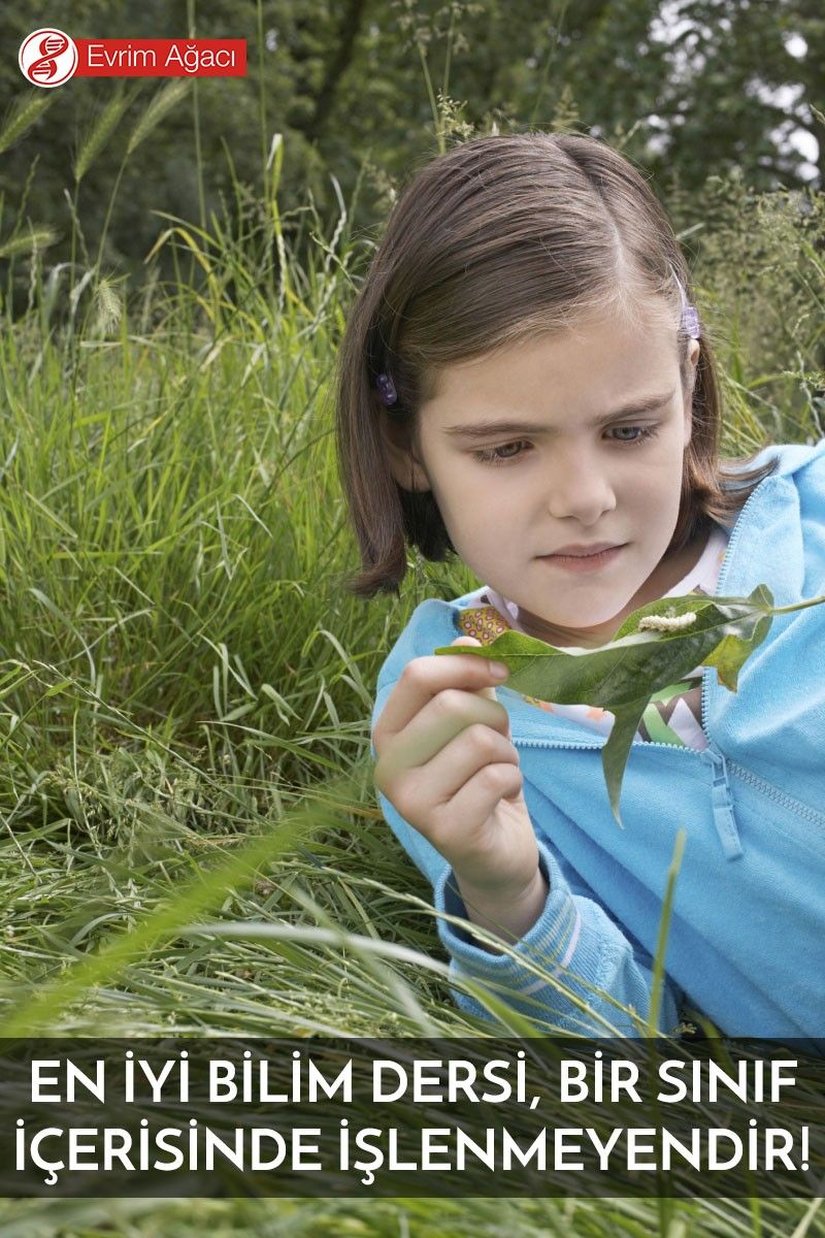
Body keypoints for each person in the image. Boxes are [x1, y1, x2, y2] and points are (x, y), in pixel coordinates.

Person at [334, 131, 825, 1039]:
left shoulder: (814, 518)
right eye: (508, 448)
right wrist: (507, 892)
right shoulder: (449, 715)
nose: (586, 500)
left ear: (686, 385)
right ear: (405, 446)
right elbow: (625, 1040)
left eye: (631, 430)